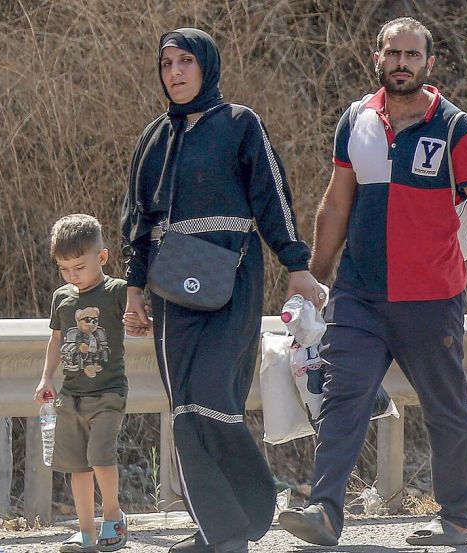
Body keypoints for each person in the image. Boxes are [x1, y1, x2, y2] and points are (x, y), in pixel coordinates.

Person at [278, 16, 467, 548]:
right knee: (342, 395)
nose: (402, 63)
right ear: (377, 59)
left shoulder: (456, 129)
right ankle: (325, 511)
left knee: (446, 409)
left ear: (429, 63)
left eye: (412, 54)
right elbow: (336, 201)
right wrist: (311, 275)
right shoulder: (356, 119)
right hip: (359, 294)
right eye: (392, 54)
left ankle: (457, 520)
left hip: (431, 296)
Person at [119, 28, 324, 553]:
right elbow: (137, 221)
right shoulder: (152, 138)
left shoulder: (240, 124)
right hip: (169, 288)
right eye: (166, 64)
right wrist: (134, 289)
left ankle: (248, 508)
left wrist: (296, 265)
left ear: (206, 66)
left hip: (232, 278)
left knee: (213, 396)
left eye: (186, 61)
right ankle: (222, 531)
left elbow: (272, 196)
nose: (175, 73)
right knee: (184, 407)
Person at [35, 214, 131, 553]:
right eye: (64, 268)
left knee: (100, 455)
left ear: (101, 257)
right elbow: (56, 341)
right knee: (77, 465)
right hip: (71, 395)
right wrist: (47, 377)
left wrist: (139, 320)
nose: (72, 275)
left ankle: (113, 517)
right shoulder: (63, 296)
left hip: (109, 392)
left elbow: (138, 317)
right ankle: (86, 532)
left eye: (78, 266)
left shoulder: (117, 291)